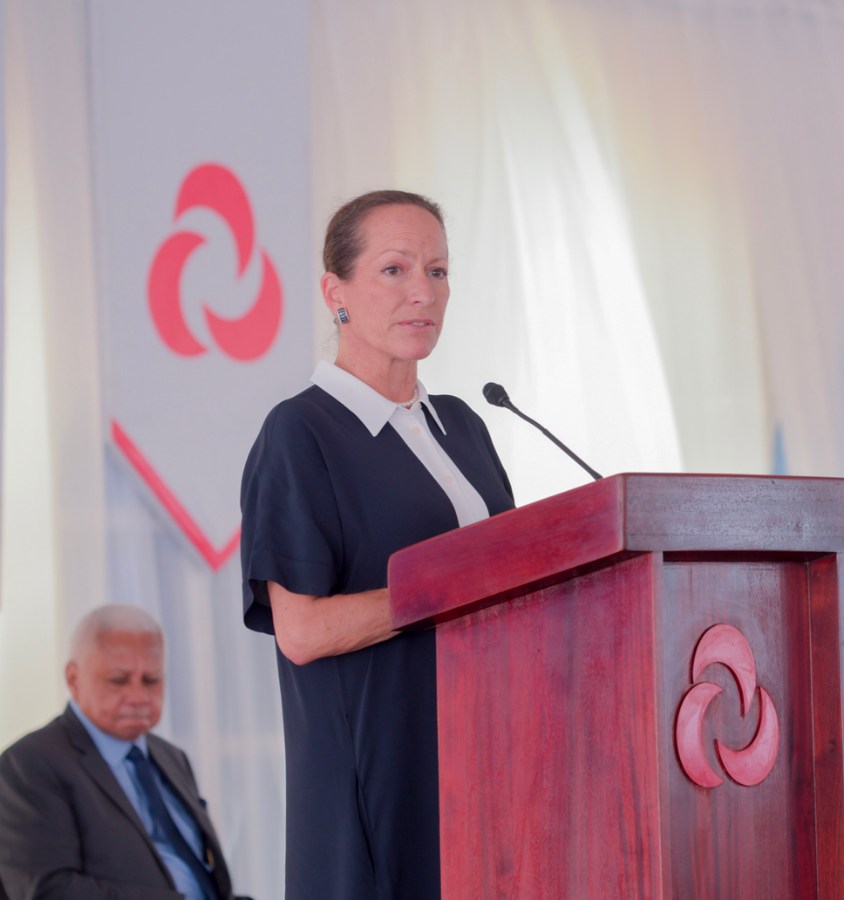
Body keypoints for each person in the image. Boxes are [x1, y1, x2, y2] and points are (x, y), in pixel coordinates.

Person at [239, 190, 515, 900]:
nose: (422, 291)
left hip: (483, 755)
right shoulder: (301, 435)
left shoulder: (463, 425)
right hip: (376, 775)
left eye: (438, 271)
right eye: (394, 270)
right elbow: (300, 630)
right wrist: (447, 589)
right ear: (337, 293)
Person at [0, 605, 246, 900]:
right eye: (118, 680)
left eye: (151, 680)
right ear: (74, 679)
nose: (139, 697)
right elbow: (47, 891)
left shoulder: (171, 757)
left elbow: (204, 876)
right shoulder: (27, 764)